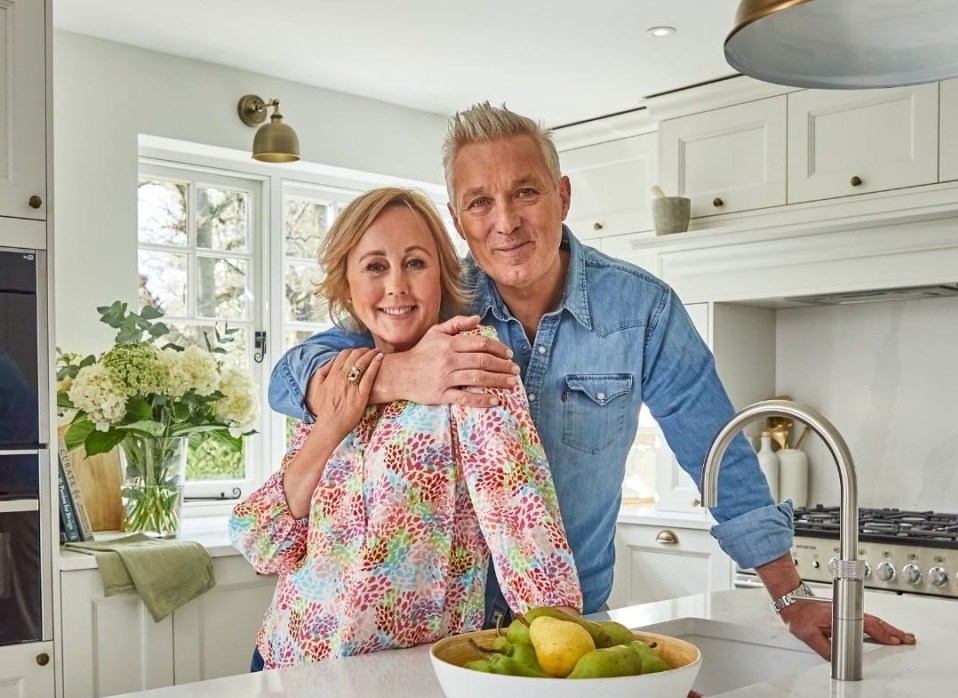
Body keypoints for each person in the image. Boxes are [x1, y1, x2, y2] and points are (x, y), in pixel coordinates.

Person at [268, 102, 916, 662]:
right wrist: (399, 371)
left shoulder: (643, 312)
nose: (505, 221)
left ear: (563, 196)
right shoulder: (434, 300)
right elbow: (290, 379)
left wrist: (792, 595)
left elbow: (715, 449)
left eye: (525, 192)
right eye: (480, 203)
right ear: (459, 220)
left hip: (572, 629)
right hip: (442, 637)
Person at [230, 186, 581, 669]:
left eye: (415, 263)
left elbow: (523, 529)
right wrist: (333, 424)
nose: (396, 285)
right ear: (347, 284)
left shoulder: (469, 362)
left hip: (402, 681)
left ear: (442, 276)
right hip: (283, 665)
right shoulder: (342, 373)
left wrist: (579, 665)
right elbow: (263, 543)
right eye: (375, 267)